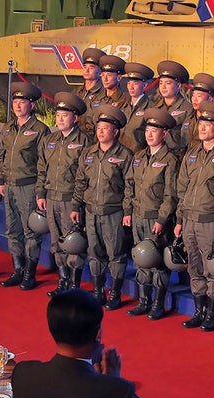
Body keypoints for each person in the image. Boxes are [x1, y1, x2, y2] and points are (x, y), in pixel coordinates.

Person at [12, 289, 159, 398]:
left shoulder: (22, 374)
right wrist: (113, 381)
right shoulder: (115, 391)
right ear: (98, 335)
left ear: (51, 328)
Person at [175, 101, 214, 331]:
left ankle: (213, 312)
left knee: (213, 269)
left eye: (208, 123)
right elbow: (182, 188)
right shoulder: (192, 154)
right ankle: (199, 310)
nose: (202, 127)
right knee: (194, 267)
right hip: (190, 219)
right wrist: (180, 219)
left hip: (212, 221)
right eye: (201, 122)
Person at [71, 105, 133, 310]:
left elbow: (129, 187)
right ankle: (98, 291)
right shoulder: (89, 153)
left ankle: (114, 293)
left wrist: (127, 212)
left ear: (115, 132)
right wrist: (75, 206)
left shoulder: (125, 155)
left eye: (105, 128)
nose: (100, 131)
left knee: (116, 254)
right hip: (91, 210)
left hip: (113, 212)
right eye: (99, 128)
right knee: (94, 252)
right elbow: (80, 182)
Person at [124, 108, 179, 320]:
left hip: (156, 219)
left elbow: (171, 194)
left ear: (164, 134)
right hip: (138, 215)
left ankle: (158, 303)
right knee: (141, 259)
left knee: (158, 263)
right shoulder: (138, 157)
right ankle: (143, 300)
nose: (149, 134)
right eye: (147, 129)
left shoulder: (169, 160)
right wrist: (128, 210)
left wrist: (162, 219)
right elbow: (129, 185)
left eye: (154, 131)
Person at [36, 92, 92, 296]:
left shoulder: (84, 142)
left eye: (64, 115)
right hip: (51, 197)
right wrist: (40, 193)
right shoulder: (50, 140)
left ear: (75, 118)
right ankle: (62, 281)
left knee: (74, 242)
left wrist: (77, 204)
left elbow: (84, 176)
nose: (60, 119)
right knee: (56, 241)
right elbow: (42, 168)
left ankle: (74, 284)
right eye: (58, 115)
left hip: (71, 199)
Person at [0, 82, 51, 290]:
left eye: (22, 102)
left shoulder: (40, 130)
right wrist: (1, 181)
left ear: (31, 105)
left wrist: (40, 192)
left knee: (31, 232)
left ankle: (29, 273)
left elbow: (43, 163)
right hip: (9, 186)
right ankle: (17, 270)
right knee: (12, 230)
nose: (18, 106)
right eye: (15, 102)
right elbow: (2, 156)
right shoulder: (8, 127)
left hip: (28, 186)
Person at [152, 60, 193, 158]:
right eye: (161, 83)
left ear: (178, 86)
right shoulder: (154, 108)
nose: (163, 87)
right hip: (156, 157)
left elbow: (188, 139)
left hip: (177, 157)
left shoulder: (187, 109)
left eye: (168, 83)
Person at [119, 62, 155, 153]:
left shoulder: (150, 108)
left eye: (135, 83)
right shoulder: (123, 105)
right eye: (129, 83)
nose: (131, 87)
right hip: (119, 155)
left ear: (145, 85)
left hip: (137, 156)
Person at [182, 72, 214, 151]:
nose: (195, 99)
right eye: (193, 95)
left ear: (210, 98)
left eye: (199, 96)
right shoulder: (189, 118)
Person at [74, 48, 106, 137]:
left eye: (91, 68)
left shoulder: (104, 94)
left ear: (100, 71)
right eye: (85, 67)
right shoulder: (77, 92)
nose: (86, 71)